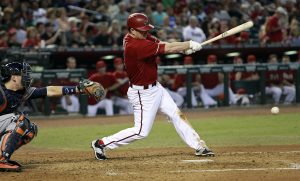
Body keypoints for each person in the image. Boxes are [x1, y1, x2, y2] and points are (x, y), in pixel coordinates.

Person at [91, 13, 214, 160]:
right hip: (142, 94)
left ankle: (199, 146)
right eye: (142, 30)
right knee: (141, 132)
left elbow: (164, 44)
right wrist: (188, 44)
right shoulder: (135, 46)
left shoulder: (138, 36)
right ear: (132, 30)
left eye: (146, 29)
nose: (146, 32)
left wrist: (182, 49)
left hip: (156, 88)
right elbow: (167, 49)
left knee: (176, 114)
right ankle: (101, 143)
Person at [0, 61, 99, 172]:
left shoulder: (21, 91)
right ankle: (2, 160)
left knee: (30, 130)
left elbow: (49, 90)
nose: (27, 77)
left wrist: (78, 89)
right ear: (13, 77)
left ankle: (2, 155)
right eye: (23, 74)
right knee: (20, 121)